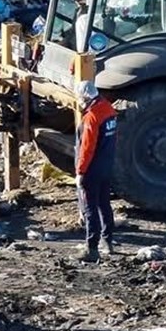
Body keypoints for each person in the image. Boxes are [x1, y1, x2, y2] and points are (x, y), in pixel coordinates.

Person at [74, 81, 117, 262]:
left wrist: (81, 171)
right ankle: (107, 241)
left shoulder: (92, 117)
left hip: (92, 169)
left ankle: (91, 248)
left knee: (90, 207)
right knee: (104, 204)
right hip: (107, 166)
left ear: (84, 97)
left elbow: (87, 147)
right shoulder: (109, 110)